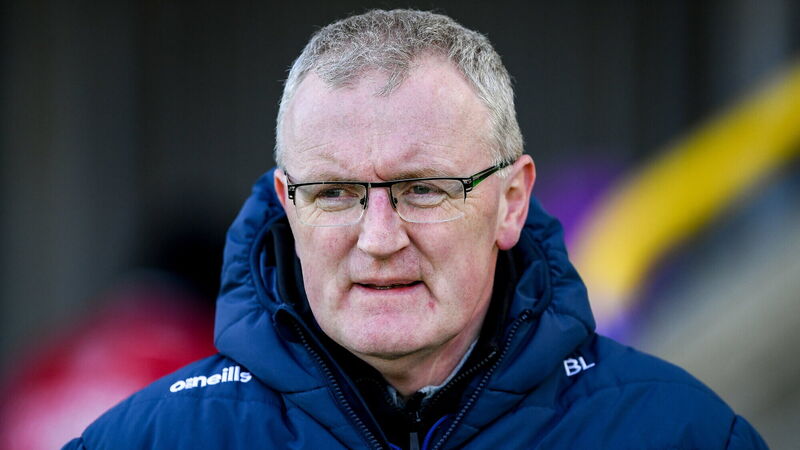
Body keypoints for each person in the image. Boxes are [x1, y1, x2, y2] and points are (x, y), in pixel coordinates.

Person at [64, 9, 767, 449]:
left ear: (512, 202)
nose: (378, 239)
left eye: (423, 189)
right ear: (287, 205)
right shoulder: (149, 440)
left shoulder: (682, 433)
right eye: (334, 193)